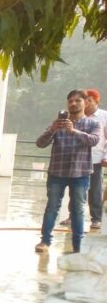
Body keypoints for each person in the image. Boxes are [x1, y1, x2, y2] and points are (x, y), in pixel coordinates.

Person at [35, 89, 103, 253]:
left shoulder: (93, 124)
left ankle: (77, 246)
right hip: (57, 173)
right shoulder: (57, 124)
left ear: (85, 103)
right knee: (52, 207)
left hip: (80, 174)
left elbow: (94, 140)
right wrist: (52, 129)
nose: (73, 103)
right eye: (70, 101)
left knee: (78, 210)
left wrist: (74, 131)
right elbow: (40, 143)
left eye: (77, 100)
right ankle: (45, 241)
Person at [61, 88, 107, 231]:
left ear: (96, 101)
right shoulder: (76, 115)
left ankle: (96, 219)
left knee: (95, 190)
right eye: (85, 100)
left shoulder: (104, 116)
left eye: (89, 101)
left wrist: (106, 156)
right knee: (75, 189)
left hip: (95, 158)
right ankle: (72, 216)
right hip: (77, 158)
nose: (86, 103)